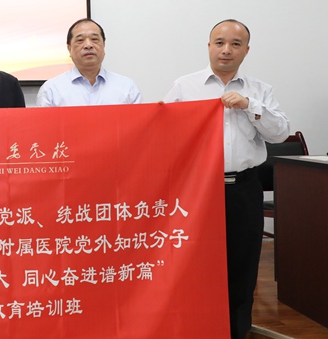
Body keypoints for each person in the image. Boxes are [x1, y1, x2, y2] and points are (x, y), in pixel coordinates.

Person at [163, 19, 289, 339]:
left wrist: (249, 106)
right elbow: (164, 133)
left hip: (244, 188)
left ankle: (237, 329)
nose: (226, 50)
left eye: (235, 44)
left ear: (246, 50)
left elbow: (280, 132)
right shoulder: (184, 87)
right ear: (209, 46)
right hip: (198, 190)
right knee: (194, 263)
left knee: (242, 264)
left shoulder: (259, 90)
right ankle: (197, 328)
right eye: (219, 42)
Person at [36, 18, 142, 106]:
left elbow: (139, 124)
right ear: (69, 48)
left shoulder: (127, 87)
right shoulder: (51, 90)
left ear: (103, 45)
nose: (88, 45)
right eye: (80, 40)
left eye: (94, 39)